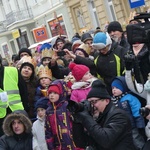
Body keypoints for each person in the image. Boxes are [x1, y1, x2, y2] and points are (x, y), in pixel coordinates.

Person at [72, 79, 136, 150]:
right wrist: (77, 121)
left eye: (94, 102)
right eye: (90, 102)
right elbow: (80, 143)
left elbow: (106, 140)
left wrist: (86, 118)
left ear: (106, 101)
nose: (92, 106)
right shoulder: (96, 116)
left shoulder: (119, 116)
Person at [111, 76, 146, 149]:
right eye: (112, 88)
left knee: (137, 140)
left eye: (117, 88)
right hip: (121, 127)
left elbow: (137, 110)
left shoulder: (129, 98)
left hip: (132, 125)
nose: (114, 90)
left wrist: (140, 124)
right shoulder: (113, 100)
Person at [0, 55, 28, 136]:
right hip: (1, 116)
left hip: (17, 111)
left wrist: (25, 108)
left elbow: (23, 91)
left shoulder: (13, 71)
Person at [45, 79, 76, 150]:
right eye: (50, 93)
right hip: (57, 146)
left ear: (61, 93)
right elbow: (48, 130)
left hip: (71, 144)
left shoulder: (68, 107)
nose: (52, 95)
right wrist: (50, 146)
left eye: (55, 93)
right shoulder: (49, 111)